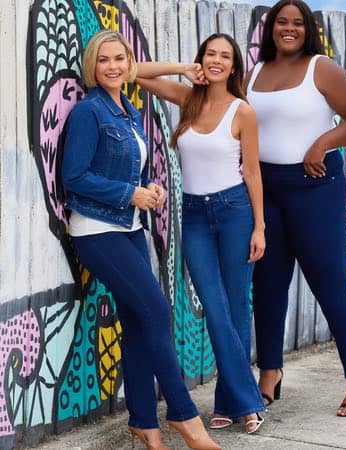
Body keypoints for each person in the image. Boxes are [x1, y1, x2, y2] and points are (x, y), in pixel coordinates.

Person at [61, 30, 220, 450]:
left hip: (130, 227)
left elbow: (127, 166)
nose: (112, 67)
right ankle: (183, 414)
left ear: (128, 63)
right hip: (97, 230)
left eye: (119, 59)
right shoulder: (89, 112)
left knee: (137, 322)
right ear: (92, 66)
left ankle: (145, 424)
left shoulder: (128, 111)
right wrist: (129, 193)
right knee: (156, 311)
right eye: (103, 60)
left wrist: (149, 187)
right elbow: (74, 177)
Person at [245, 0, 346, 417]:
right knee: (267, 284)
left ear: (308, 29)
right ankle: (270, 373)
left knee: (328, 280)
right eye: (282, 22)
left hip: (314, 185)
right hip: (266, 189)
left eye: (298, 23)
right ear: (271, 28)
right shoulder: (254, 72)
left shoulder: (320, 68)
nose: (289, 29)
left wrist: (323, 143)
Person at [135, 33, 266, 434]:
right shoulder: (187, 99)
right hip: (193, 215)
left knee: (235, 309)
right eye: (210, 53)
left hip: (235, 212)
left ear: (234, 65)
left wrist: (260, 226)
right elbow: (134, 72)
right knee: (214, 306)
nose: (216, 60)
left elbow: (252, 171)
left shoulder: (243, 111)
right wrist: (182, 69)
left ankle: (231, 401)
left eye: (225, 56)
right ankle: (248, 400)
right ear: (201, 59)